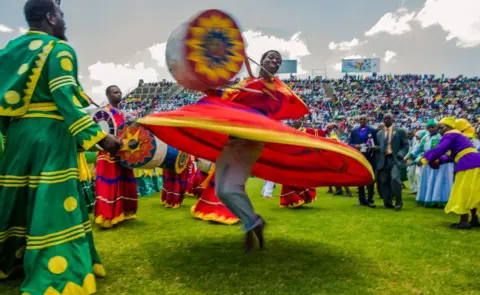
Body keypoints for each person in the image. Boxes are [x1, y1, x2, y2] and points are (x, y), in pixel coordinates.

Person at [0, 0, 122, 293]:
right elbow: (64, 96)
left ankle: (11, 261)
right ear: (51, 18)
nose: (64, 23)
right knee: (52, 202)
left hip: (17, 136)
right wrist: (100, 138)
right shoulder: (59, 49)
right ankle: (56, 269)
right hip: (52, 136)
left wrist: (12, 134)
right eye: (62, 17)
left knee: (15, 199)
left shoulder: (8, 52)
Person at [421, 117, 480, 229]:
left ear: (448, 127)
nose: (440, 131)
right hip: (475, 162)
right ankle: (475, 219)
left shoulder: (451, 133)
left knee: (463, 192)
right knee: (474, 192)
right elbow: (449, 156)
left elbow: (440, 149)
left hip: (468, 164)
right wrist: (438, 161)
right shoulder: (458, 136)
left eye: (441, 127)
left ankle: (464, 222)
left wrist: (425, 159)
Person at [94, 86, 138, 228]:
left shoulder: (124, 115)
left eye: (120, 92)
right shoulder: (103, 113)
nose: (119, 94)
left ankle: (123, 212)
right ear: (108, 95)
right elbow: (100, 133)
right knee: (108, 183)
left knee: (125, 182)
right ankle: (107, 216)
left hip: (122, 153)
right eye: (115, 92)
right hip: (107, 153)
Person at [412, 120, 453, 207]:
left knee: (438, 181)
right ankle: (426, 199)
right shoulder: (425, 137)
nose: (431, 129)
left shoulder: (441, 137)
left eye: (433, 127)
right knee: (426, 181)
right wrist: (411, 156)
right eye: (429, 127)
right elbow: (418, 149)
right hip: (426, 163)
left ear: (437, 127)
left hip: (439, 163)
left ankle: (438, 200)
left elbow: (441, 150)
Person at [374, 113, 409, 210]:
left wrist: (401, 154)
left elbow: (405, 145)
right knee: (384, 182)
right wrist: (376, 148)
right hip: (383, 159)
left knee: (395, 179)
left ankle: (398, 202)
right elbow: (380, 146)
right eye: (384, 119)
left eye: (388, 118)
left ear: (392, 119)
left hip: (395, 159)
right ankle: (387, 203)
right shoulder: (379, 133)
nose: (386, 120)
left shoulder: (400, 131)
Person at [348, 115, 377, 208]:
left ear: (367, 120)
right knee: (360, 179)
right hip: (359, 158)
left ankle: (370, 200)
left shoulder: (372, 131)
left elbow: (376, 144)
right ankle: (361, 200)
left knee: (370, 179)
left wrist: (373, 148)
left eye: (364, 119)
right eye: (360, 119)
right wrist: (355, 145)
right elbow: (349, 144)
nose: (362, 121)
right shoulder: (354, 131)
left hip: (370, 157)